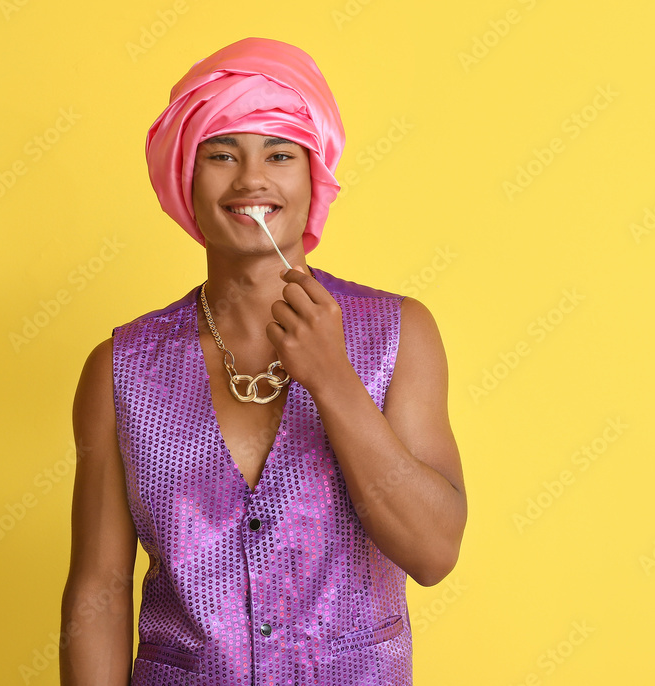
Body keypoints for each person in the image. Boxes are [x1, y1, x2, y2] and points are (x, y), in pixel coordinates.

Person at [59, 37, 466, 685]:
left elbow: (434, 551)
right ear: (185, 179)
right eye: (222, 154)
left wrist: (335, 382)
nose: (251, 178)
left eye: (279, 154)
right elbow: (100, 589)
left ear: (314, 177)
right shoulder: (122, 369)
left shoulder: (399, 334)